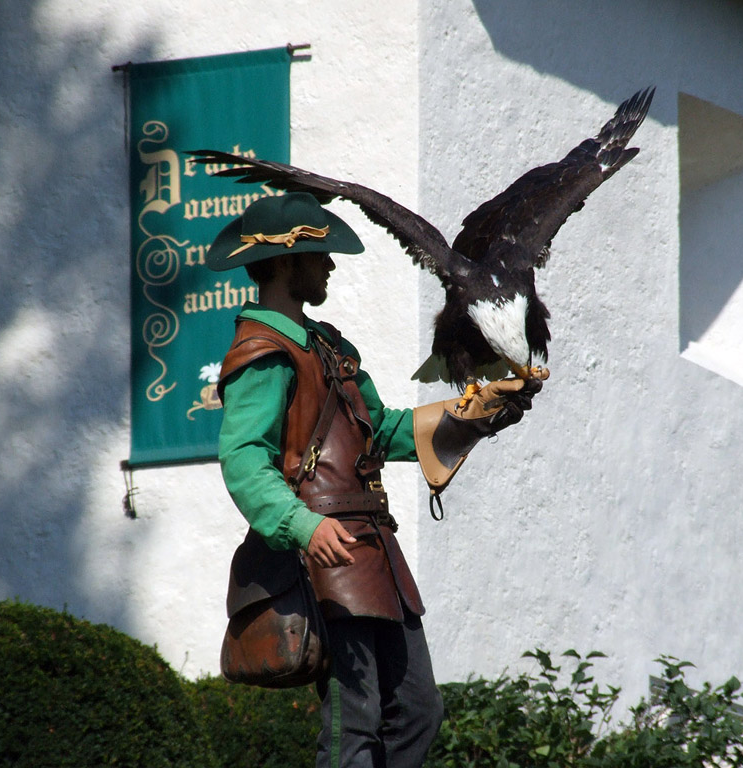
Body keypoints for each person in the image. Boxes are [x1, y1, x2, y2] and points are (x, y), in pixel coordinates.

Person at [212, 192, 538, 768]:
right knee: (354, 723)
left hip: (372, 549)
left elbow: (380, 433)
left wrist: (481, 409)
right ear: (285, 263)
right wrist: (302, 526)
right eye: (319, 255)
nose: (330, 265)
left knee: (417, 710)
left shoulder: (330, 347)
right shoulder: (261, 352)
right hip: (325, 557)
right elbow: (242, 459)